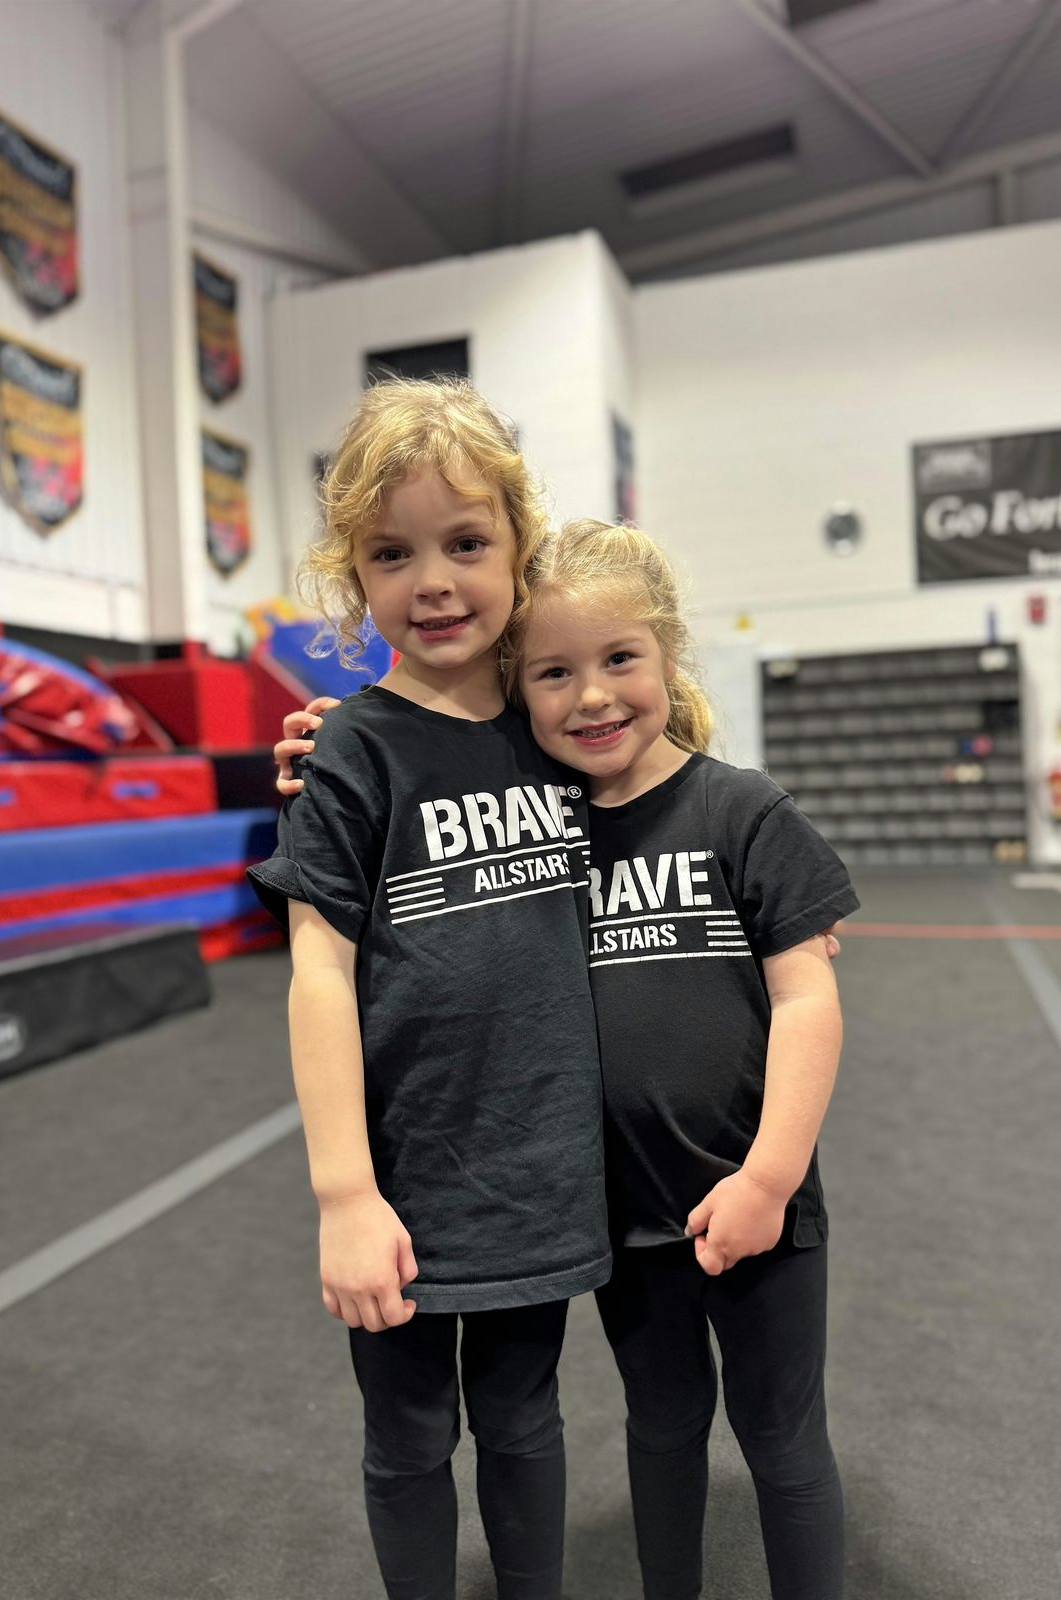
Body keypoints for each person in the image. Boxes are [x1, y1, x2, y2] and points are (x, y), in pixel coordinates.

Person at [273, 511, 854, 1599]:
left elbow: (806, 998)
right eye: (553, 674)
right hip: (619, 1209)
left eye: (621, 660)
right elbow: (435, 752)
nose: (590, 696)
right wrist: (337, 734)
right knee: (661, 1422)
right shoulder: (551, 799)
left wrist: (771, 1175)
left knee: (779, 1436)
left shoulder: (729, 808)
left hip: (741, 1194)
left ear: (668, 655)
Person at [247, 379, 611, 1600]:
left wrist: (777, 919)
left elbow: (677, 786)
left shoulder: (561, 725)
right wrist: (344, 1191)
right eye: (393, 554)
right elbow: (317, 970)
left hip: (539, 1163)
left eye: (465, 543)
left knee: (524, 1418)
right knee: (407, 1433)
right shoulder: (351, 751)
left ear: (517, 544)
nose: (436, 582)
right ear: (353, 574)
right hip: (405, 1173)